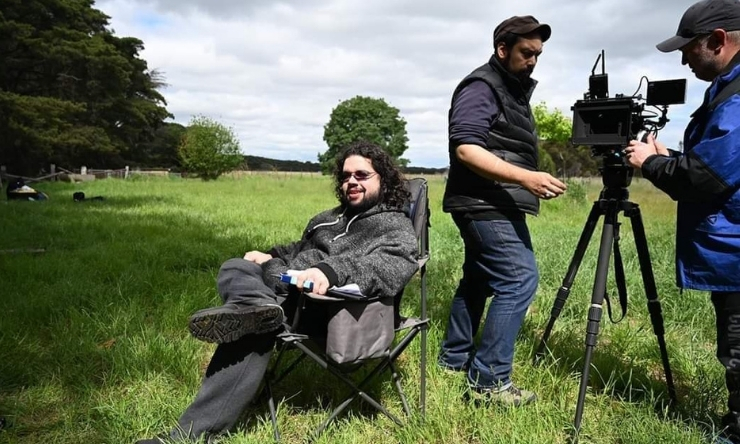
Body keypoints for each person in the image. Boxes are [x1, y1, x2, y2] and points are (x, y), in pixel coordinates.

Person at [136, 141, 418, 443]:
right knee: (236, 266)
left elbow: (391, 265)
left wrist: (330, 272)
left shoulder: (393, 225)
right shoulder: (329, 218)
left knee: (254, 327)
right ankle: (254, 308)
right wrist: (269, 254)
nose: (351, 181)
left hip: (325, 307)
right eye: (346, 176)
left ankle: (186, 437)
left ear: (383, 179)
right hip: (284, 289)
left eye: (362, 175)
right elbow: (299, 250)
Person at [623, 0, 740, 441]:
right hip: (730, 245)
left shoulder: (738, 97)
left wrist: (650, 164)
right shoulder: (726, 89)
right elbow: (715, 162)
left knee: (739, 345)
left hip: (736, 249)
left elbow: (706, 178)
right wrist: (668, 157)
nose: (683, 58)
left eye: (688, 48)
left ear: (718, 41)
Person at [438, 15, 567, 406]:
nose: (532, 61)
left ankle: (453, 359)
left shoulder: (510, 90)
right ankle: (489, 383)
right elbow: (466, 148)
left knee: (478, 280)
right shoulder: (482, 86)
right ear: (502, 49)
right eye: (526, 52)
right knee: (518, 280)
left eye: (538, 55)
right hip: (483, 202)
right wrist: (525, 178)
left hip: (490, 200)